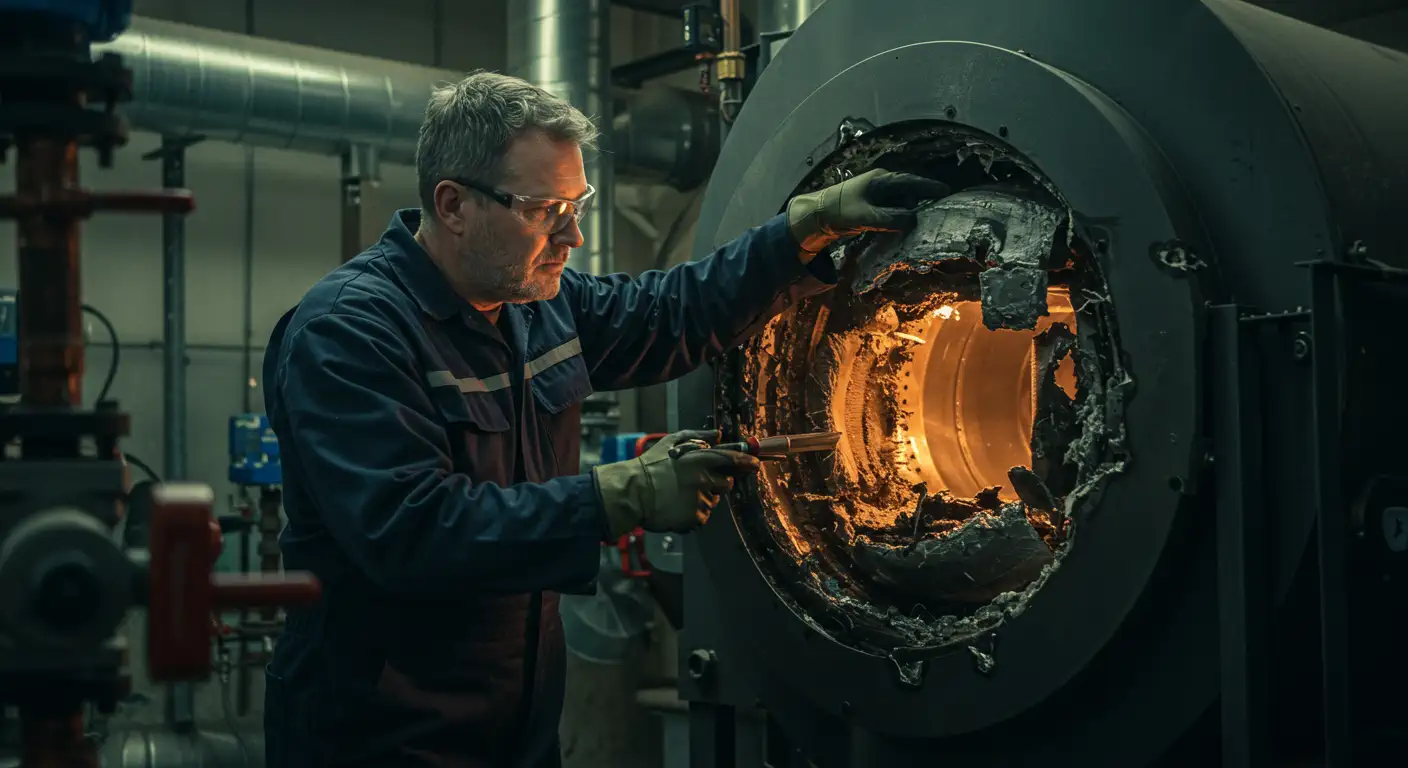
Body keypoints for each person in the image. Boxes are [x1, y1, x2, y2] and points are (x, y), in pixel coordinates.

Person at [261, 70, 948, 767]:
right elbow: (409, 532)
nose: (575, 235)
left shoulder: (533, 301)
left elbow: (671, 312)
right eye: (543, 210)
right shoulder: (350, 332)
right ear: (453, 204)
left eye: (576, 203)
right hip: (380, 737)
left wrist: (802, 228)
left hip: (515, 727)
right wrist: (620, 495)